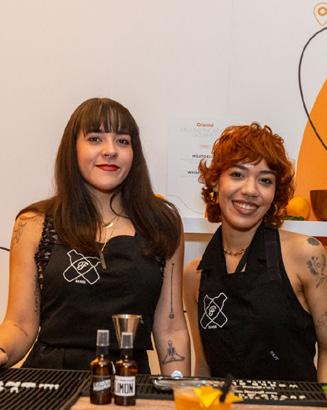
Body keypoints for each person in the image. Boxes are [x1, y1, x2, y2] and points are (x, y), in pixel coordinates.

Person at [0, 98, 190, 374]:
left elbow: (171, 328)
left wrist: (180, 392)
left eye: (122, 141)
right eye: (95, 138)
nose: (110, 150)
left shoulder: (164, 224)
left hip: (129, 381)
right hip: (52, 380)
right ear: (73, 148)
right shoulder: (32, 223)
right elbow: (20, 325)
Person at [183, 123, 327, 382]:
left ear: (275, 193)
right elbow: (204, 366)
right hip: (223, 407)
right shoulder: (194, 275)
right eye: (237, 174)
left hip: (298, 406)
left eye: (265, 180)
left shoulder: (306, 254)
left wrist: (326, 408)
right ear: (215, 182)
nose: (250, 190)